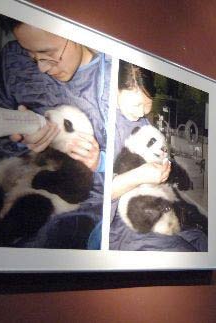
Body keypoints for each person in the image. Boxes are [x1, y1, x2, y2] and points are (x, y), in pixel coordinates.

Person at [0, 15, 111, 248]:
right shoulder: (14, 59)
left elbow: (112, 176)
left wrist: (98, 161)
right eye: (32, 56)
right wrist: (15, 137)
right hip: (4, 174)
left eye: (48, 54)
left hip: (62, 196)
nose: (41, 68)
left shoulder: (110, 83)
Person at [87, 61, 207, 251]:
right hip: (119, 223)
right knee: (183, 251)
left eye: (147, 106)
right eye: (136, 104)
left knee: (201, 240)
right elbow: (93, 195)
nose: (141, 113)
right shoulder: (97, 122)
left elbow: (158, 153)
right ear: (114, 90)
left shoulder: (141, 122)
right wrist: (139, 176)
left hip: (152, 207)